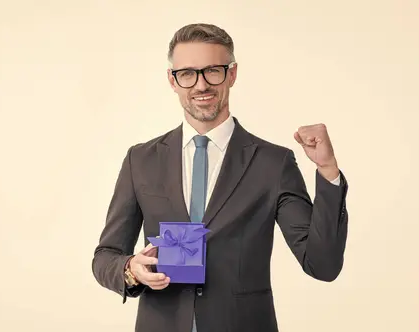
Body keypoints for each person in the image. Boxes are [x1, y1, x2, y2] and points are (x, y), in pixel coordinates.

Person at [91, 23, 349, 332]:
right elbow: (105, 256)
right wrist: (130, 269)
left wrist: (328, 171)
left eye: (212, 70)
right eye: (187, 73)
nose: (201, 85)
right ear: (172, 81)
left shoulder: (273, 163)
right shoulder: (141, 159)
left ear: (232, 74)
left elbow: (323, 265)